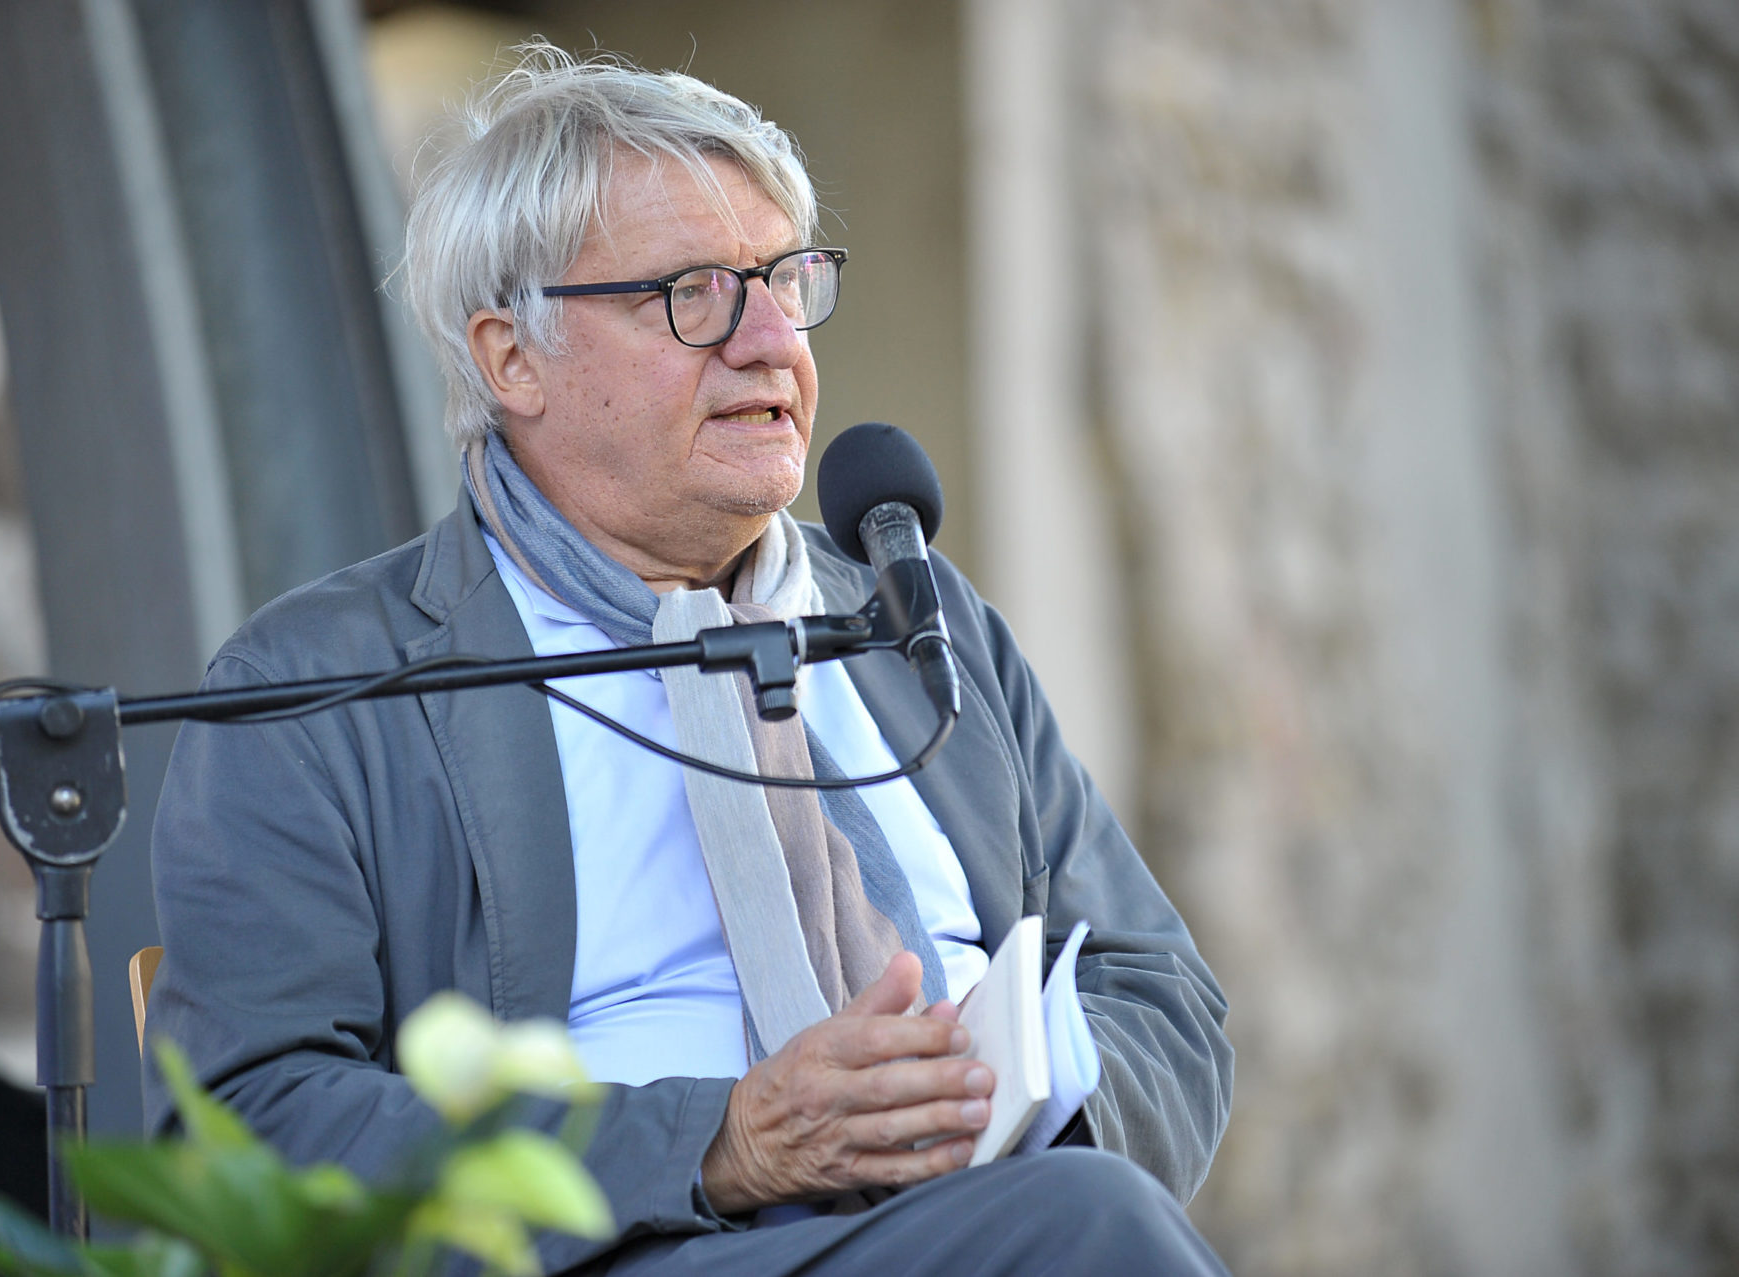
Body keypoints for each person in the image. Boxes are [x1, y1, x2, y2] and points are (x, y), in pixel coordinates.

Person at [144, 44, 1233, 1274]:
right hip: (629, 1246)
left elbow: (1166, 996)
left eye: (791, 279)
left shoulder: (917, 621)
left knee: (1082, 1214)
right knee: (1093, 1229)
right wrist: (719, 1142)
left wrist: (1016, 1111)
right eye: (699, 293)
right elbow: (248, 1127)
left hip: (990, 1217)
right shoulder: (328, 685)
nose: (774, 341)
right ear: (513, 357)